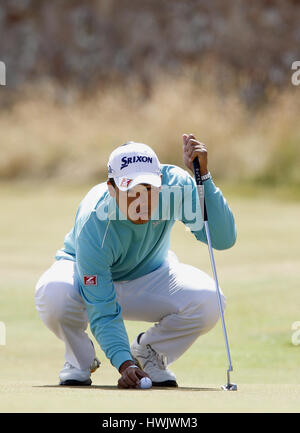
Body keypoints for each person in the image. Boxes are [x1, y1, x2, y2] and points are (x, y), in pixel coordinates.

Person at [34, 133, 237, 389]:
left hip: (150, 275)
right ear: (112, 188)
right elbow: (101, 305)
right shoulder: (94, 221)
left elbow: (223, 238)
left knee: (209, 300)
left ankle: (149, 352)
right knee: (54, 293)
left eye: (149, 189)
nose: (141, 201)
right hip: (85, 279)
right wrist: (123, 362)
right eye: (130, 190)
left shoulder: (178, 186)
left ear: (161, 183)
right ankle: (79, 360)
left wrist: (203, 179)